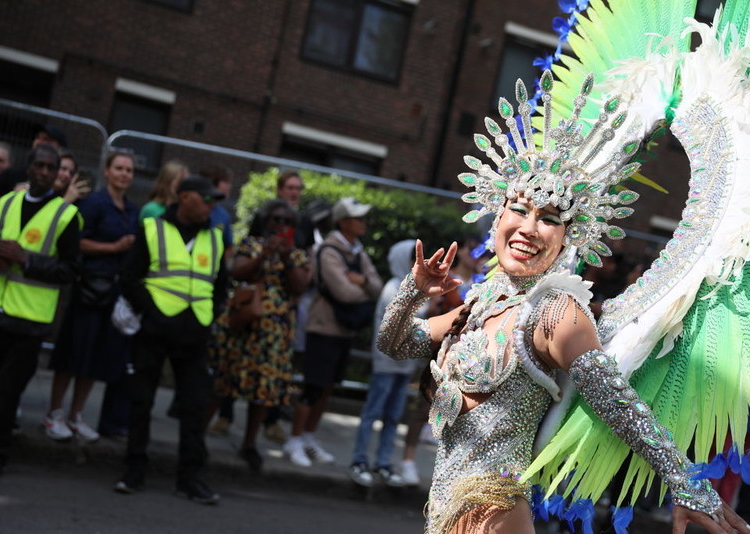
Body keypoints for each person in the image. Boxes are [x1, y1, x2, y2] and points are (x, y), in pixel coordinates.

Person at [376, 67, 746, 534]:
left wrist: (687, 484)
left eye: (550, 218)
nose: (529, 228)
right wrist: (414, 291)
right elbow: (396, 343)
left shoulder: (555, 312)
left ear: (570, 237)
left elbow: (615, 398)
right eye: (519, 208)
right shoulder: (481, 303)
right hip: (444, 508)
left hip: (494, 510)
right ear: (495, 217)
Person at [0, 144, 80, 479]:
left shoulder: (67, 217)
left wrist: (28, 260)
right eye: (39, 166)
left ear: (58, 176)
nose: (45, 173)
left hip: (30, 320)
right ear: (29, 168)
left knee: (6, 394)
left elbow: (69, 271)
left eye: (52, 169)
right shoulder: (7, 203)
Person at [116, 175, 226, 505]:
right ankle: (134, 471)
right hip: (155, 332)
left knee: (194, 407)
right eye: (206, 199)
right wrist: (152, 314)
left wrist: (210, 317)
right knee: (141, 402)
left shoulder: (216, 237)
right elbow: (129, 278)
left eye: (214, 201)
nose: (211, 206)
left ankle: (189, 479)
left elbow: (220, 286)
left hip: (194, 335)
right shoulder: (153, 229)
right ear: (185, 197)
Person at [282, 197, 383, 467]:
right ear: (343, 221)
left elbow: (377, 285)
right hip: (323, 328)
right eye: (357, 218)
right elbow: (343, 291)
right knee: (312, 387)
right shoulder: (328, 250)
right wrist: (363, 286)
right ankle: (294, 440)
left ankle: (308, 437)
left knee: (327, 387)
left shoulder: (357, 252)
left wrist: (360, 281)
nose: (363, 223)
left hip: (343, 331)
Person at [45, 152, 138, 442]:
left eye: (129, 170)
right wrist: (114, 248)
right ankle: (55, 413)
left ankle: (76, 415)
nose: (124, 174)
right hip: (88, 288)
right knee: (74, 351)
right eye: (119, 168)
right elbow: (77, 242)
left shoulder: (132, 210)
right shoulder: (94, 204)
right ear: (107, 172)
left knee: (96, 354)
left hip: (113, 291)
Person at [212, 199, 310, 471]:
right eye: (276, 219)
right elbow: (235, 271)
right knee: (224, 377)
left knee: (263, 389)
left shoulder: (297, 254)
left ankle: (249, 443)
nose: (281, 225)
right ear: (265, 221)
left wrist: (287, 256)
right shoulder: (251, 244)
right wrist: (263, 255)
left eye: (287, 222)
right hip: (243, 325)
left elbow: (300, 286)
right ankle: (201, 430)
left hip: (275, 333)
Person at [348, 239, 422, 487]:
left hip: (404, 364)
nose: (417, 263)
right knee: (373, 412)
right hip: (387, 365)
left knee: (393, 416)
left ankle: (383, 463)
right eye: (413, 257)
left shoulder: (415, 288)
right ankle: (359, 460)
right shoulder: (394, 287)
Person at [0, 124, 67, 225]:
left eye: (46, 140)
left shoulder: (68, 185)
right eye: (37, 137)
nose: (39, 142)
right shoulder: (10, 174)